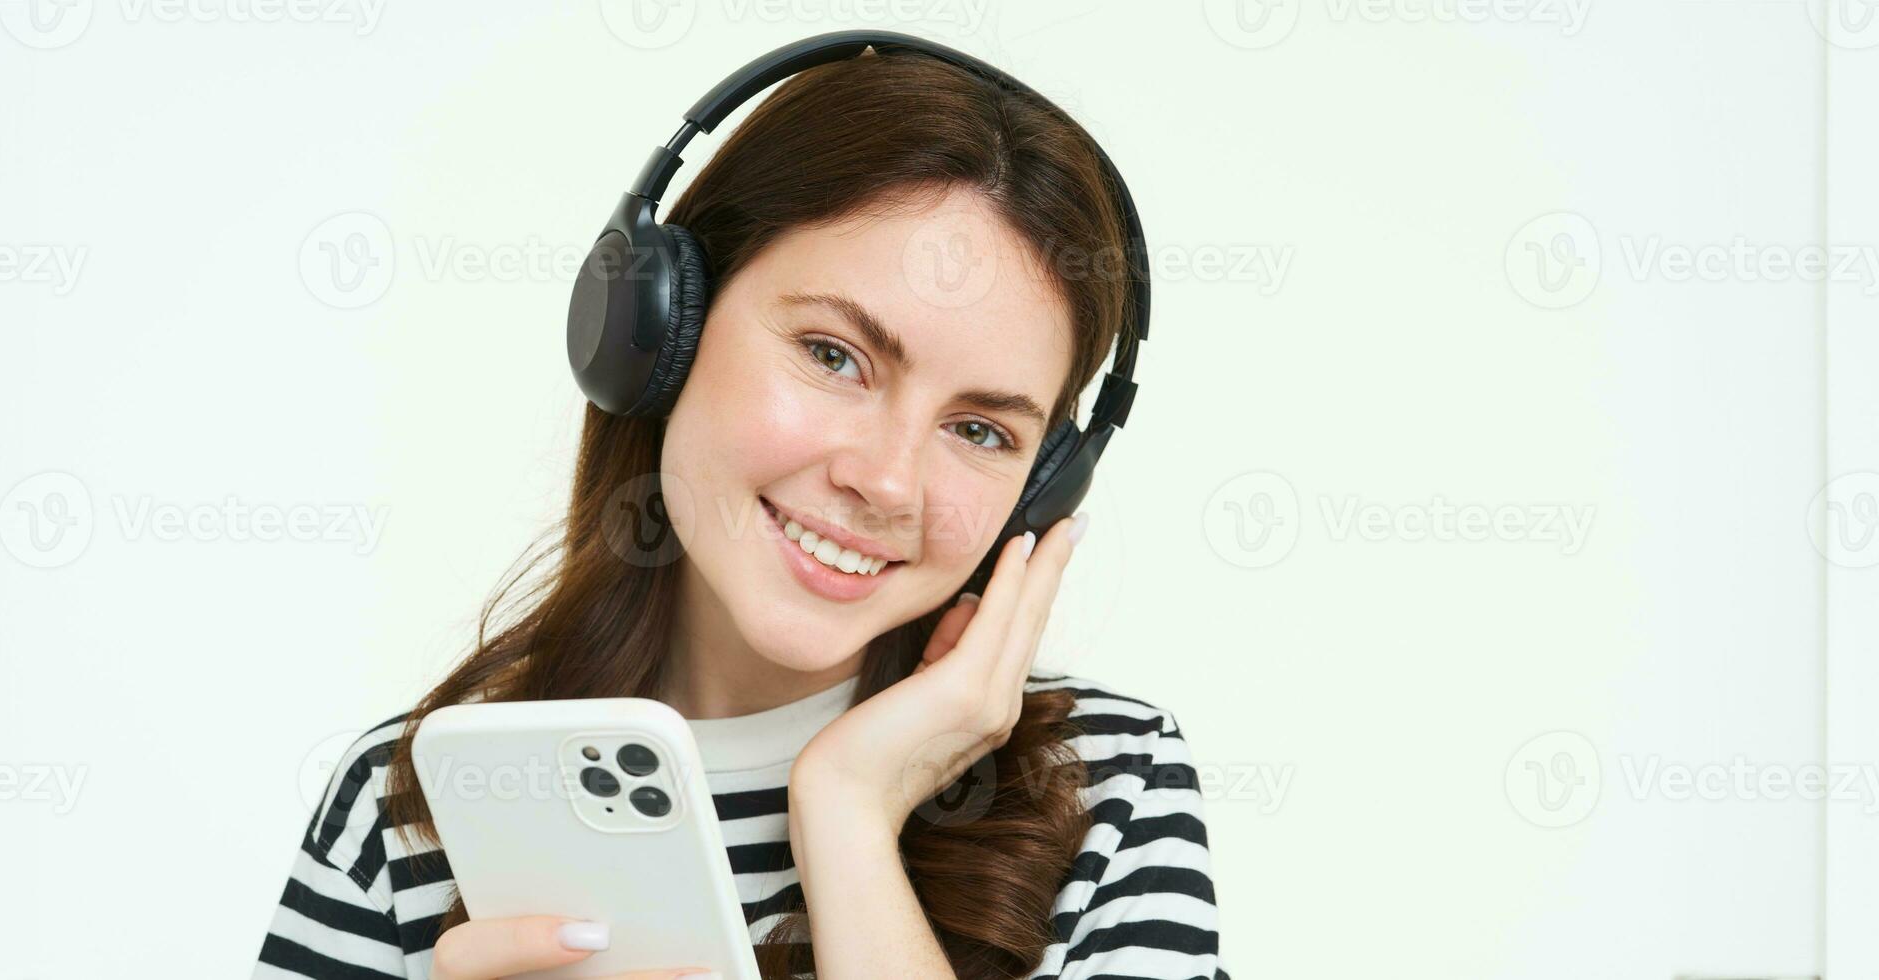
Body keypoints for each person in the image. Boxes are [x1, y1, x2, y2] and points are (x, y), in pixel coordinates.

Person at [254, 44, 1225, 980]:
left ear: (1045, 484)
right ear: (658, 327)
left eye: (978, 429)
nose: (887, 482)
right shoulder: (412, 804)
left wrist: (845, 812)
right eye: (834, 355)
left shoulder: (1104, 788)